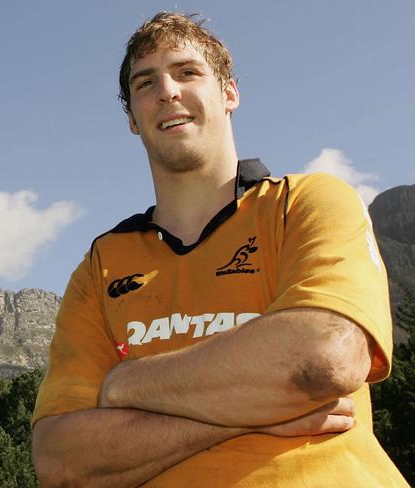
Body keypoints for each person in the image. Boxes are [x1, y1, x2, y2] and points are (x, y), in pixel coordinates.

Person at [31, 11, 408, 487]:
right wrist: (255, 409)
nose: (167, 91)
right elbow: (62, 462)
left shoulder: (308, 201)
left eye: (188, 72)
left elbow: (323, 357)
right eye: (145, 83)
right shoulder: (101, 266)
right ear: (133, 119)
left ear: (229, 93)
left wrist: (125, 384)